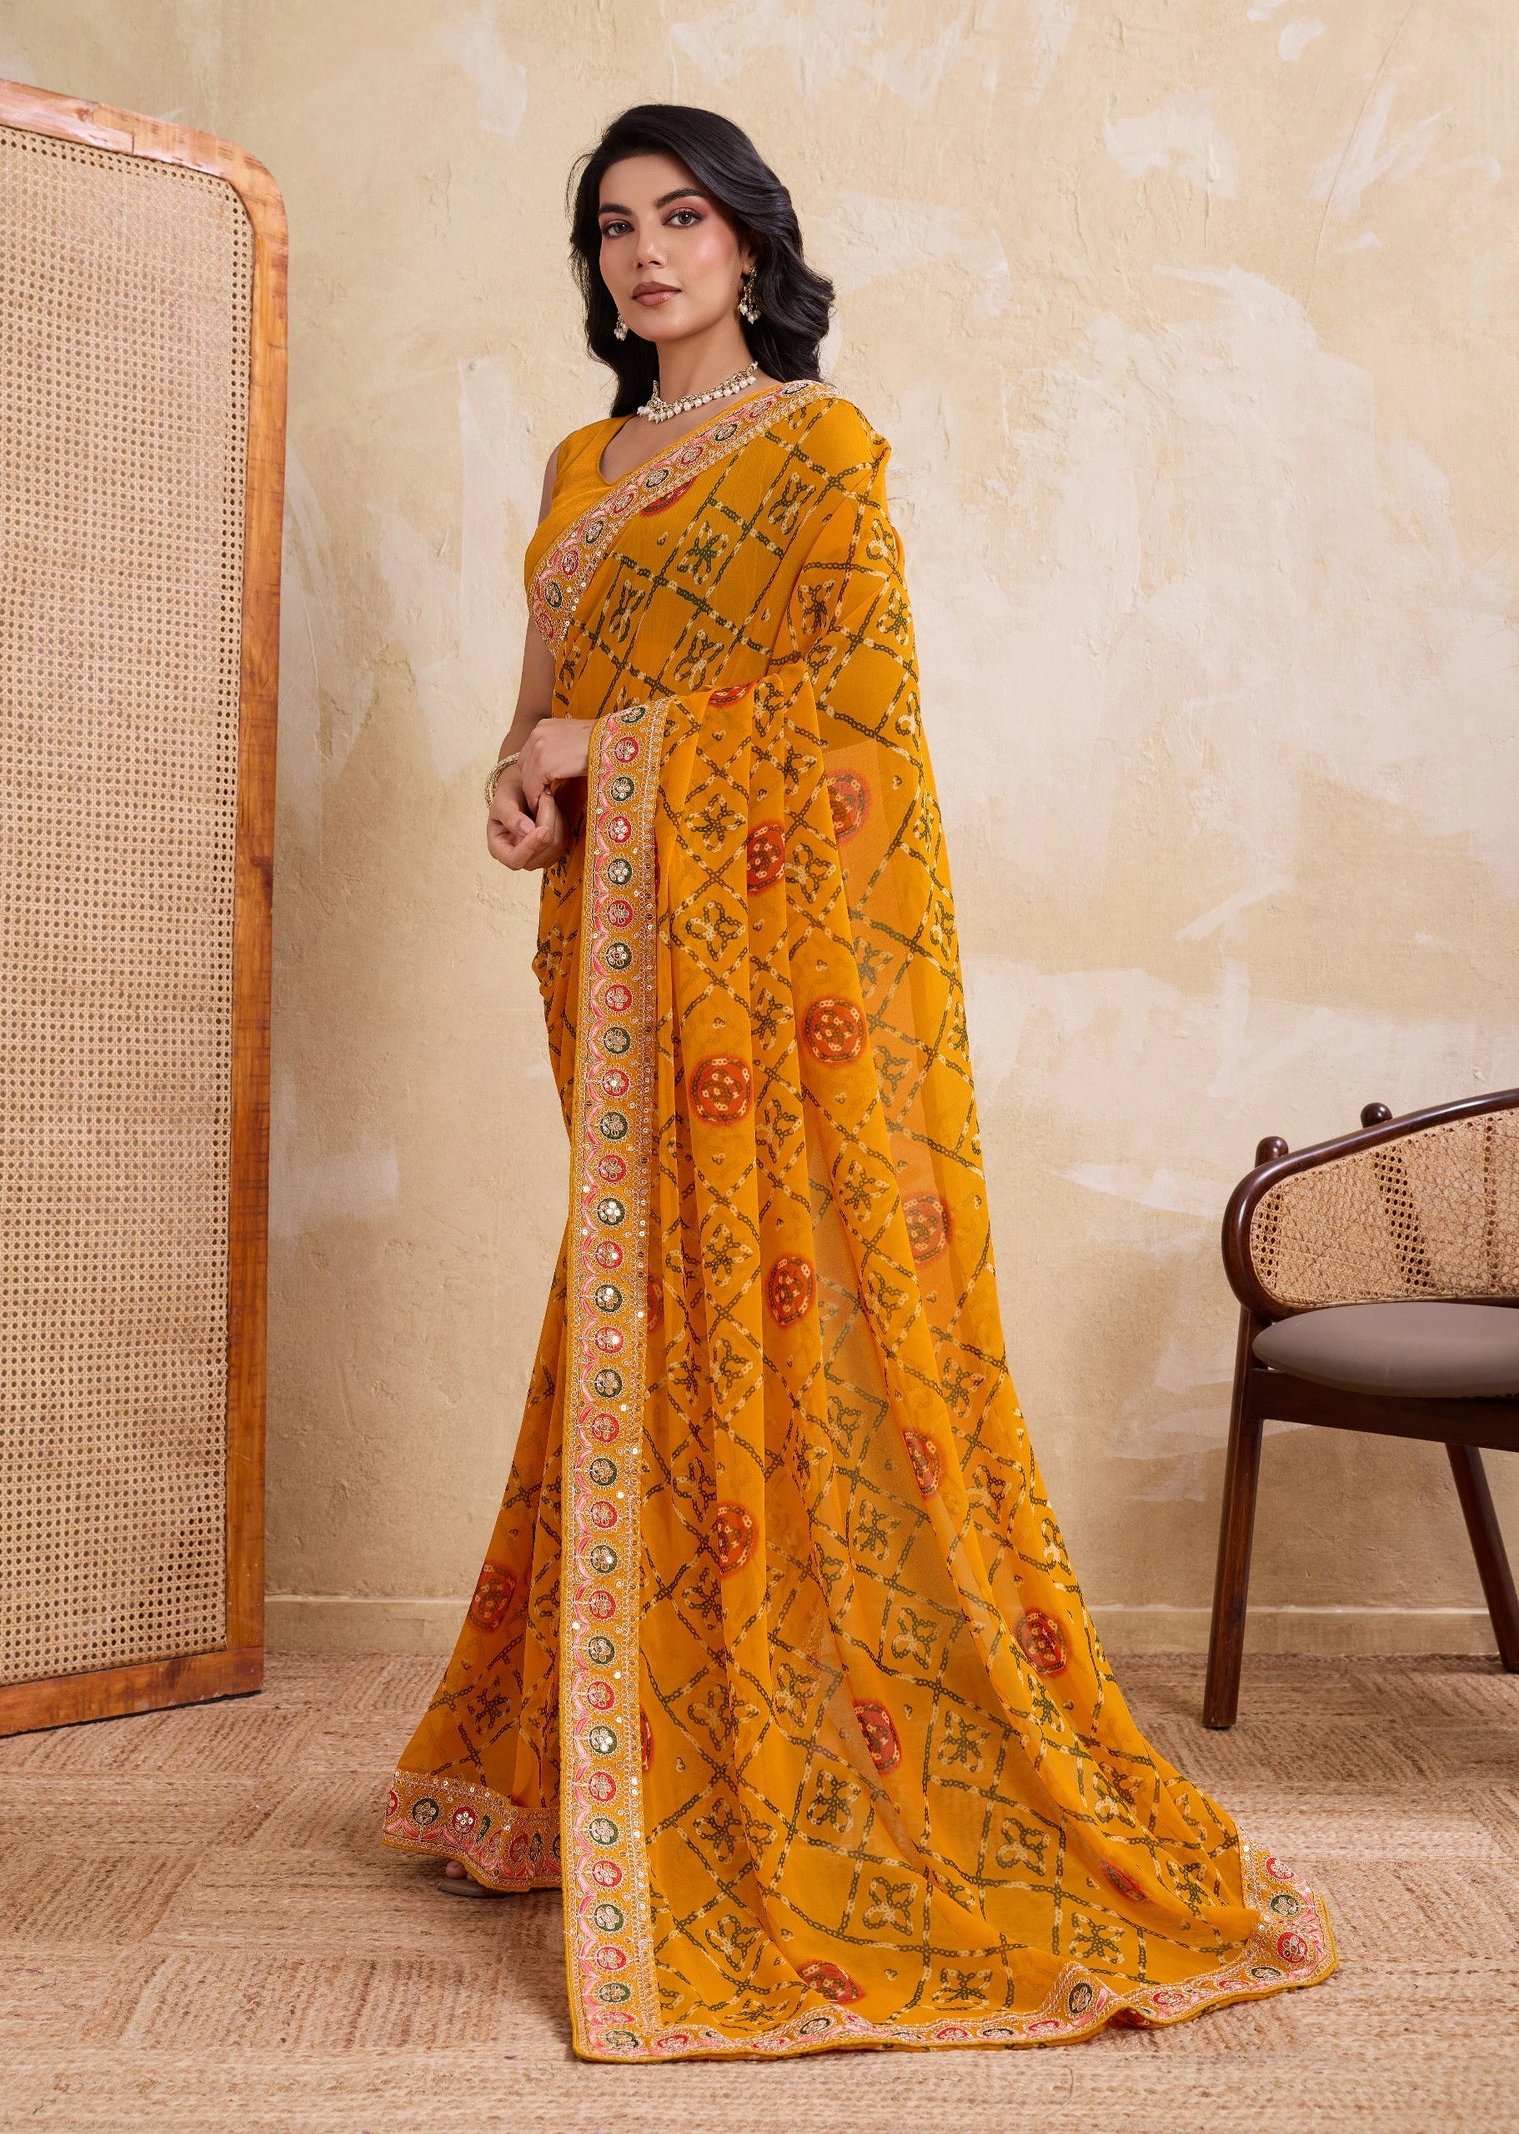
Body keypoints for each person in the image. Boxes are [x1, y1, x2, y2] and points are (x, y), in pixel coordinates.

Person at [381, 101, 1336, 2063]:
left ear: (747, 241)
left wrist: (603, 747)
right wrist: (518, 765)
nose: (646, 254)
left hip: (764, 994)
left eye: (682, 217)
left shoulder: (814, 450)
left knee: (783, 1337)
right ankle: (616, 1748)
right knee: (636, 1311)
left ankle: (797, 1753)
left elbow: (852, 720)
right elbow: (539, 696)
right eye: (613, 226)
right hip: (615, 963)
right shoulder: (581, 464)